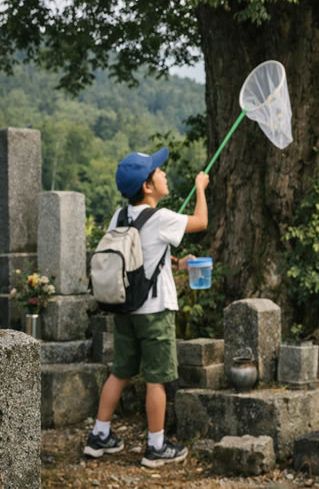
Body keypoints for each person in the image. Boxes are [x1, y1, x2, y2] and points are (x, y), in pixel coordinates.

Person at [83, 147, 210, 468]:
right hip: (155, 312)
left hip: (125, 309)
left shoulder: (118, 216)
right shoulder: (164, 218)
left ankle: (99, 436)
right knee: (157, 377)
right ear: (147, 187)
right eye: (158, 171)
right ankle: (156, 445)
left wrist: (179, 263)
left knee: (121, 371)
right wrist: (200, 188)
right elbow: (202, 221)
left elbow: (142, 255)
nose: (163, 173)